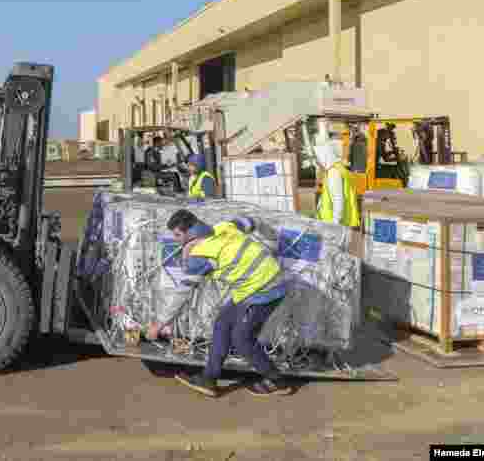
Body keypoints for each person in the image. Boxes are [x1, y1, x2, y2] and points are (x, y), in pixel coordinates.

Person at [147, 209, 294, 398]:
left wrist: (160, 323)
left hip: (266, 290)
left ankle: (277, 381)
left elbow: (183, 292)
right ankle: (209, 379)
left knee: (242, 340)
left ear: (188, 233)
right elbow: (253, 220)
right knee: (222, 323)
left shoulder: (201, 255)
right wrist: (273, 241)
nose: (176, 240)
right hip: (251, 287)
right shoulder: (224, 226)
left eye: (177, 235)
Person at [315, 140, 360, 228]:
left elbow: (338, 199)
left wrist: (335, 224)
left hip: (332, 223)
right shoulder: (339, 169)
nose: (318, 162)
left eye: (320, 158)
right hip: (337, 222)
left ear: (327, 156)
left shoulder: (333, 172)